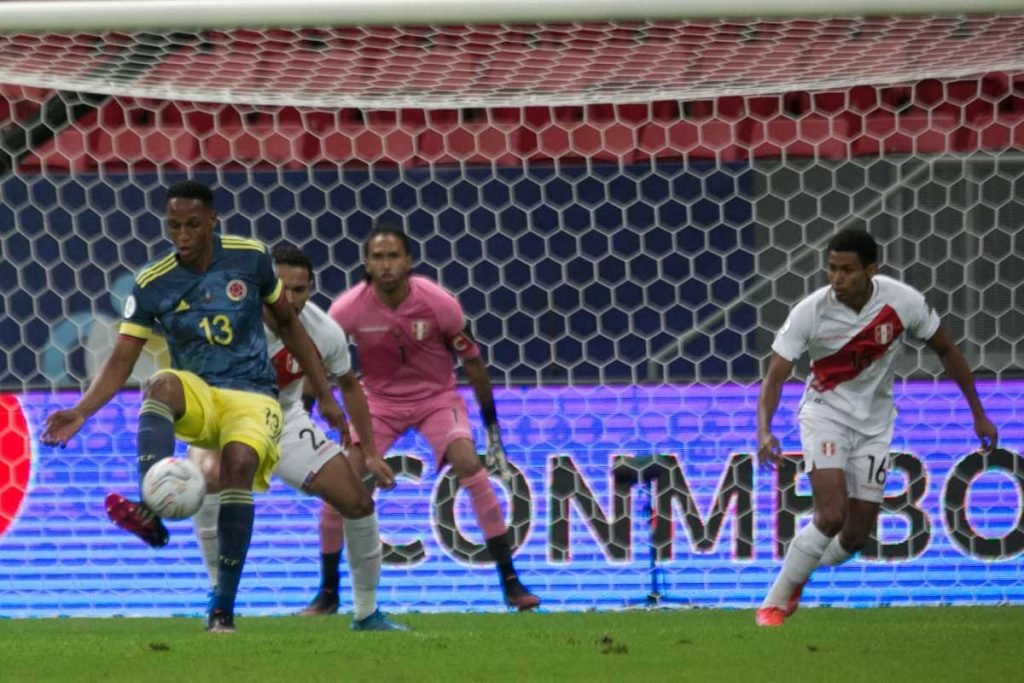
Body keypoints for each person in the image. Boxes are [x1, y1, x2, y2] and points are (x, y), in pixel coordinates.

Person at [40, 180, 353, 633]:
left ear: (212, 221)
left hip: (253, 394)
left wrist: (324, 393)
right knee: (159, 383)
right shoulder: (152, 283)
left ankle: (222, 607)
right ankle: (150, 503)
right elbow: (121, 359)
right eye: (173, 226)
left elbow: (290, 325)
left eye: (191, 225)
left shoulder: (251, 257)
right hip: (201, 394)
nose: (181, 235)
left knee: (239, 463)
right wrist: (82, 411)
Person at [755, 227, 998, 627]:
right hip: (824, 415)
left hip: (875, 425)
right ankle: (775, 602)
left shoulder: (902, 303)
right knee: (830, 514)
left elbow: (946, 350)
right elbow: (775, 377)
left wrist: (978, 412)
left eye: (847, 270)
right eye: (831, 269)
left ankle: (801, 571)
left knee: (853, 538)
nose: (837, 279)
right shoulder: (810, 311)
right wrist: (764, 430)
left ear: (871, 269)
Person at [301, 222, 540, 614]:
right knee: (340, 484)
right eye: (378, 257)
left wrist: (492, 430)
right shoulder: (347, 309)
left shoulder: (438, 303)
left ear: (409, 260)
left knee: (467, 461)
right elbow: (315, 362)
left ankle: (511, 582)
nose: (386, 265)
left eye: (393, 255)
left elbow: (473, 364)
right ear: (366, 262)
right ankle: (328, 592)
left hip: (436, 398)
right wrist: (305, 418)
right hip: (378, 403)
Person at [187, 243, 405, 630]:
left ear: (311, 290)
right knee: (208, 481)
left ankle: (367, 613)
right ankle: (219, 597)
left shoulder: (325, 332)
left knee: (357, 501)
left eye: (300, 290)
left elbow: (350, 387)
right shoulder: (228, 320)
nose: (289, 298)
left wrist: (369, 452)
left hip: (285, 421)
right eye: (281, 287)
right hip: (225, 419)